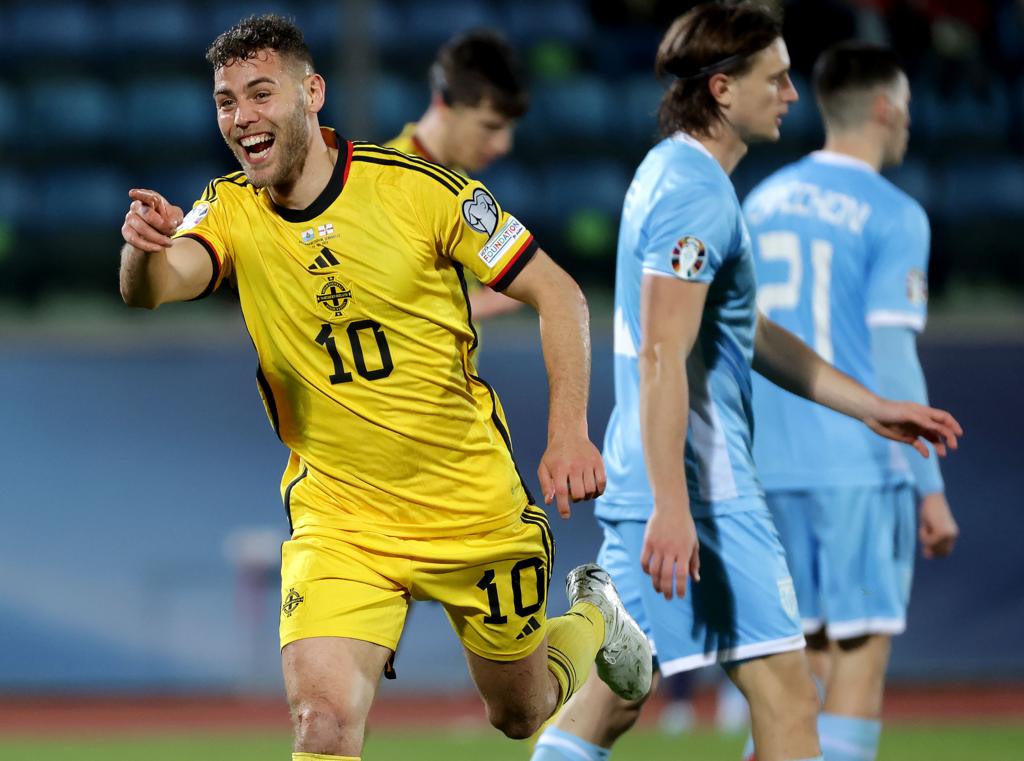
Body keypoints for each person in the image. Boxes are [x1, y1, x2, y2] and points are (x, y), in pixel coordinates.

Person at [118, 15, 651, 761]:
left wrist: (568, 432)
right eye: (225, 100)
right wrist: (142, 254)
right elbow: (158, 287)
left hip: (469, 504)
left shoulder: (422, 191)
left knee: (521, 711)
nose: (241, 118)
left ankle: (595, 618)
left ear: (313, 92)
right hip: (342, 518)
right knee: (323, 725)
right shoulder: (229, 207)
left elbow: (559, 293)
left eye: (260, 93)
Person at [530, 4, 961, 761]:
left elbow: (745, 331)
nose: (793, 94)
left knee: (613, 698)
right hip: (703, 488)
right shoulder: (697, 191)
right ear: (723, 90)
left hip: (650, 475)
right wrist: (674, 502)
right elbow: (664, 354)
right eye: (778, 78)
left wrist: (870, 406)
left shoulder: (671, 171)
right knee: (791, 702)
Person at [741, 41, 959, 761]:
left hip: (767, 467)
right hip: (860, 465)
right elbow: (892, 354)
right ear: (884, 107)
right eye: (906, 108)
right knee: (857, 675)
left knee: (786, 687)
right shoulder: (894, 213)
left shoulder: (759, 200)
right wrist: (929, 485)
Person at [388, 28, 528, 320]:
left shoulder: (460, 180)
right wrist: (482, 305)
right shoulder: (389, 179)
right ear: (444, 104)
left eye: (509, 129)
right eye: (490, 126)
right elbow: (379, 306)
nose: (504, 145)